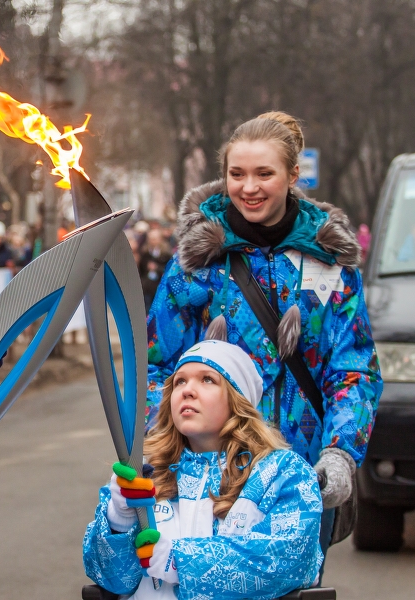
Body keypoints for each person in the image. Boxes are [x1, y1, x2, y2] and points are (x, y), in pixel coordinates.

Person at [146, 111, 381, 559]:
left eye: (263, 174)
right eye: (237, 174)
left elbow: (354, 369)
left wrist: (339, 453)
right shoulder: (198, 262)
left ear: (293, 175)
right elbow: (157, 365)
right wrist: (157, 449)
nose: (248, 187)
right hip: (209, 479)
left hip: (300, 476)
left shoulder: (331, 263)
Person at [84, 340, 323, 598]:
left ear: (237, 400)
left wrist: (179, 561)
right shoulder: (147, 473)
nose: (188, 390)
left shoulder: (282, 474)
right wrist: (119, 519)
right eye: (180, 382)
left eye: (207, 379)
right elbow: (109, 580)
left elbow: (288, 560)